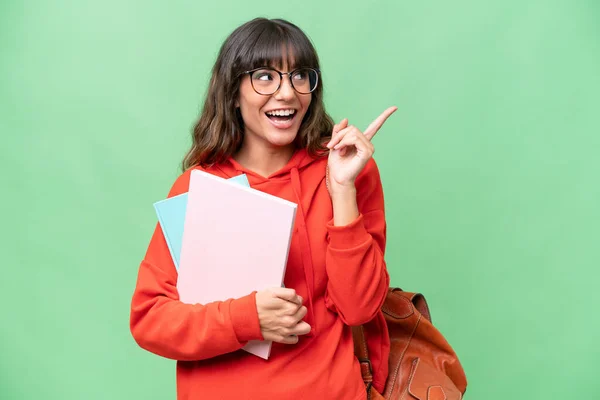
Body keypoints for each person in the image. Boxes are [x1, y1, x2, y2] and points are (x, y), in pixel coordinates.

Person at [130, 17, 397, 400]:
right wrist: (248, 318)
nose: (287, 92)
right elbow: (150, 319)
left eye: (300, 76)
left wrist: (341, 189)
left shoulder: (348, 171)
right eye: (265, 77)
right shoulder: (198, 187)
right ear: (233, 91)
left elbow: (359, 309)